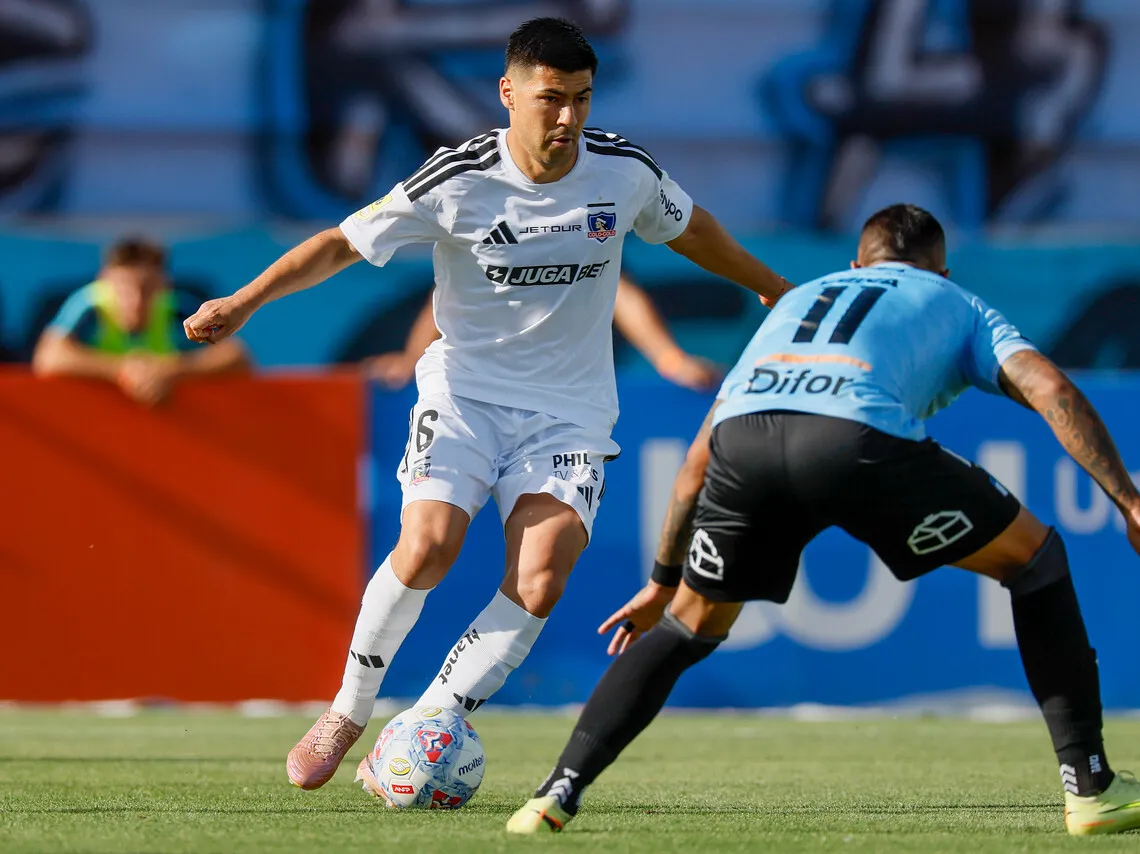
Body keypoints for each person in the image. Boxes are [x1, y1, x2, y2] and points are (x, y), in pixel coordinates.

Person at [182, 17, 790, 794]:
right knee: (429, 545)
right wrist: (246, 299)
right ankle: (347, 709)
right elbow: (340, 242)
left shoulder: (621, 173)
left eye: (580, 99)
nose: (567, 118)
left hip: (570, 414)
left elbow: (690, 228)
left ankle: (429, 719)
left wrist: (765, 282)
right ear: (509, 94)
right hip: (465, 394)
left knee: (540, 577)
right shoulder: (457, 178)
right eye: (550, 99)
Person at [507, 204, 1140, 837]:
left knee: (688, 625)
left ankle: (553, 795)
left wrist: (664, 577)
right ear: (939, 268)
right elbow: (1051, 388)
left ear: (856, 265)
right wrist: (1132, 507)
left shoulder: (799, 299)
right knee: (1035, 560)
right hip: (856, 442)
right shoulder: (954, 299)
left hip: (745, 442)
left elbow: (698, 457)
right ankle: (1090, 786)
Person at [364, 274, 721, 392]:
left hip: (563, 396)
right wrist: (413, 358)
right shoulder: (481, 200)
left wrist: (671, 360)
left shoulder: (584, 211)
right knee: (429, 538)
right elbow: (455, 290)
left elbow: (615, 290)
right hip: (476, 392)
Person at [32, 237, 250, 406]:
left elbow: (236, 356)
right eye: (124, 287)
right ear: (104, 280)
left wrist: (169, 371)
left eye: (147, 288)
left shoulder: (178, 309)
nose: (136, 300)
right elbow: (49, 357)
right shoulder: (89, 305)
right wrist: (124, 371)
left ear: (164, 284)